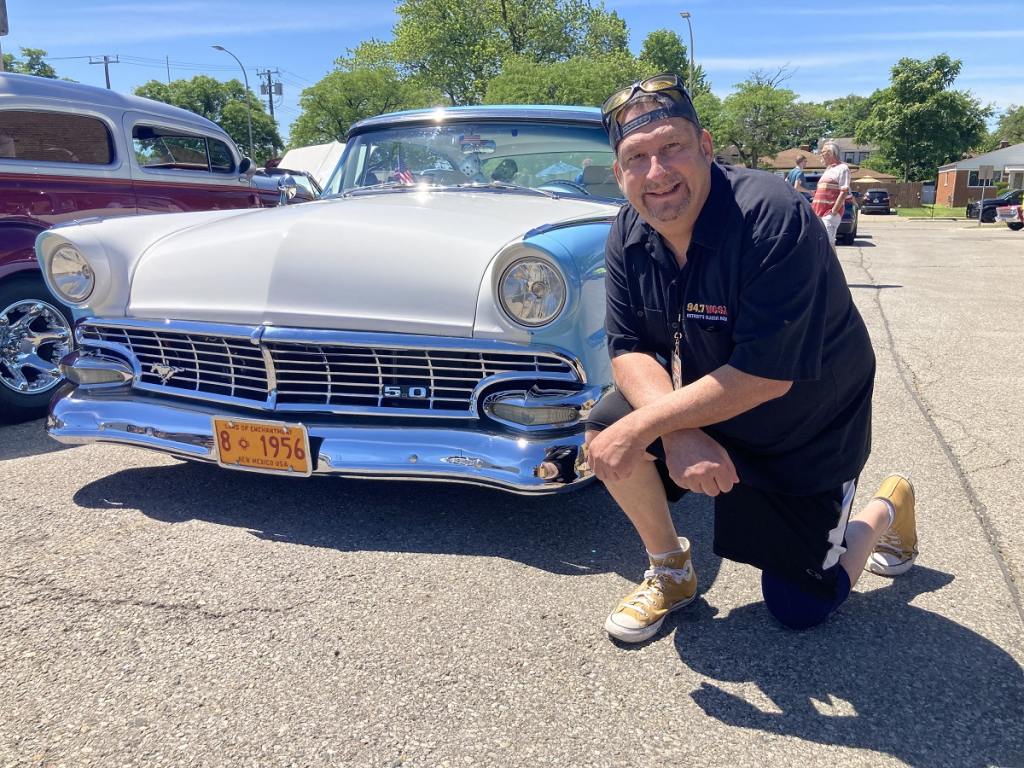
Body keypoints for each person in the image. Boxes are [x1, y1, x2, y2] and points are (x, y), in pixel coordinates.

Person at [585, 73, 919, 643]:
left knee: (799, 607)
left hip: (808, 418)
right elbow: (631, 348)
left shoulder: (773, 214)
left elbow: (765, 375)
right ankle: (670, 570)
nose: (656, 173)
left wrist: (654, 426)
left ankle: (888, 506)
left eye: (672, 148)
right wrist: (674, 432)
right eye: (636, 158)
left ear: (706, 147)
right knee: (607, 427)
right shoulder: (628, 229)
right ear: (619, 173)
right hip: (717, 397)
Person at [812, 141, 850, 245]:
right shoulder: (828, 169)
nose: (820, 154)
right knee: (826, 247)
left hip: (828, 214)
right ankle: (833, 262)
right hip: (818, 214)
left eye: (822, 152)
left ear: (830, 153)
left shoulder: (842, 168)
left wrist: (833, 211)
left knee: (826, 245)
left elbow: (844, 191)